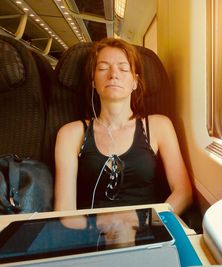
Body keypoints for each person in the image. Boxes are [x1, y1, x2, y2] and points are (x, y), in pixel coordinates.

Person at [54, 38, 192, 215]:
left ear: (135, 82)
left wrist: (153, 226)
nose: (113, 74)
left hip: (148, 230)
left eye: (123, 68)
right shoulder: (70, 134)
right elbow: (64, 210)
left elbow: (183, 192)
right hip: (92, 234)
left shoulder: (159, 126)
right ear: (93, 81)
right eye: (103, 68)